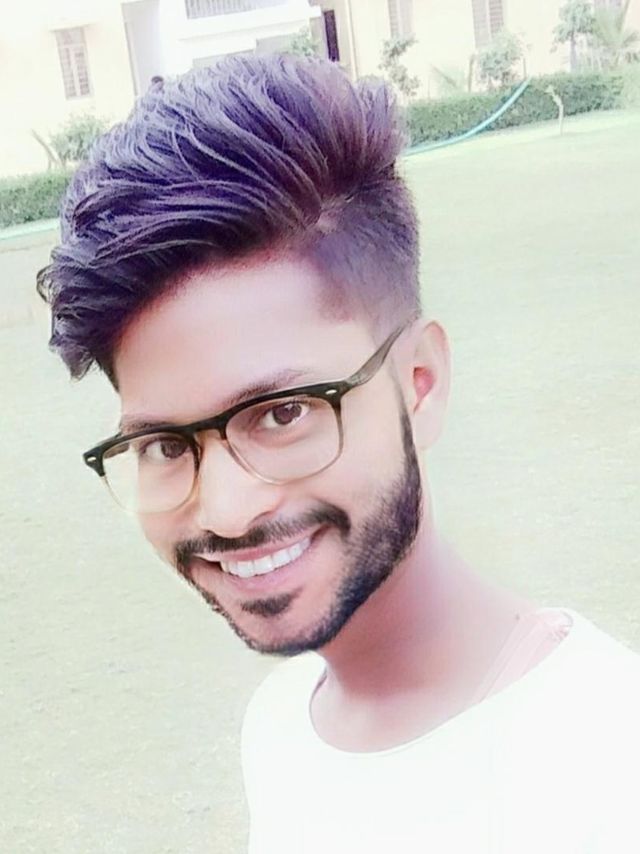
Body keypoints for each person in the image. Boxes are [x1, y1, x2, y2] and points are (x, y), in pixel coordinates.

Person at [38, 55, 639, 853]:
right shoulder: (283, 721)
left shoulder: (605, 768)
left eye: (282, 414)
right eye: (163, 444)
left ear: (419, 382)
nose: (226, 510)